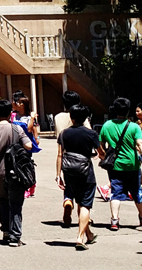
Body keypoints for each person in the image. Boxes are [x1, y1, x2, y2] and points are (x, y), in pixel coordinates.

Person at [99, 97, 142, 231]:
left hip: (114, 165)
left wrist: (103, 156)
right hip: (132, 164)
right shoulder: (134, 126)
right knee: (136, 190)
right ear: (128, 110)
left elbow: (101, 144)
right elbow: (140, 143)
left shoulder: (107, 125)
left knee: (115, 192)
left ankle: (114, 220)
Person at [0, 99, 33, 246]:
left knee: (2, 201)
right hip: (16, 171)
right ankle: (15, 236)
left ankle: (6, 230)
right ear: (11, 113)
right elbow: (28, 145)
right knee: (15, 203)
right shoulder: (17, 129)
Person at [56, 104, 103, 250]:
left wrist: (58, 175)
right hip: (85, 171)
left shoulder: (64, 133)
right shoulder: (91, 134)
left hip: (69, 171)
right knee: (85, 204)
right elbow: (100, 152)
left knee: (79, 201)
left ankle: (89, 234)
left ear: (72, 117)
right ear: (86, 118)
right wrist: (100, 156)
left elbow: (60, 154)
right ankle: (80, 237)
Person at [53, 91, 89, 223]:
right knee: (82, 188)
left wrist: (58, 174)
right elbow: (89, 131)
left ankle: (67, 201)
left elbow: (59, 151)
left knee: (69, 184)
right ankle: (82, 217)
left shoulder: (58, 117)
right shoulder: (81, 116)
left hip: (65, 155)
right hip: (82, 155)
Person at [12, 94, 41, 198]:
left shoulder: (28, 117)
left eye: (20, 102)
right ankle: (23, 185)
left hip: (27, 143)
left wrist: (32, 118)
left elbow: (30, 129)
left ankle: (30, 184)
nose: (17, 104)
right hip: (16, 143)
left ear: (24, 105)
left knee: (27, 164)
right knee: (17, 164)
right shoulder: (14, 115)